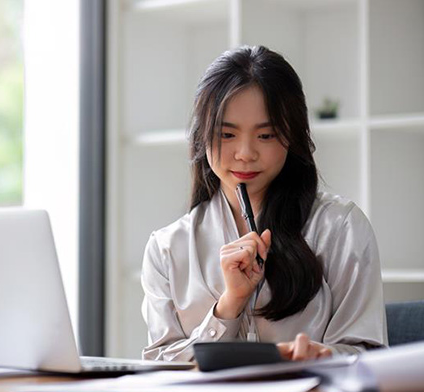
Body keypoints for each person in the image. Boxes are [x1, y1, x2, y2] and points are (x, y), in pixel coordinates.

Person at [140, 46, 387, 363]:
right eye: (227, 134)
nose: (245, 153)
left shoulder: (340, 228)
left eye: (266, 135)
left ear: (293, 136)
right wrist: (229, 305)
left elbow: (369, 356)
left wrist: (322, 356)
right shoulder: (167, 248)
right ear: (202, 137)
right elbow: (157, 367)